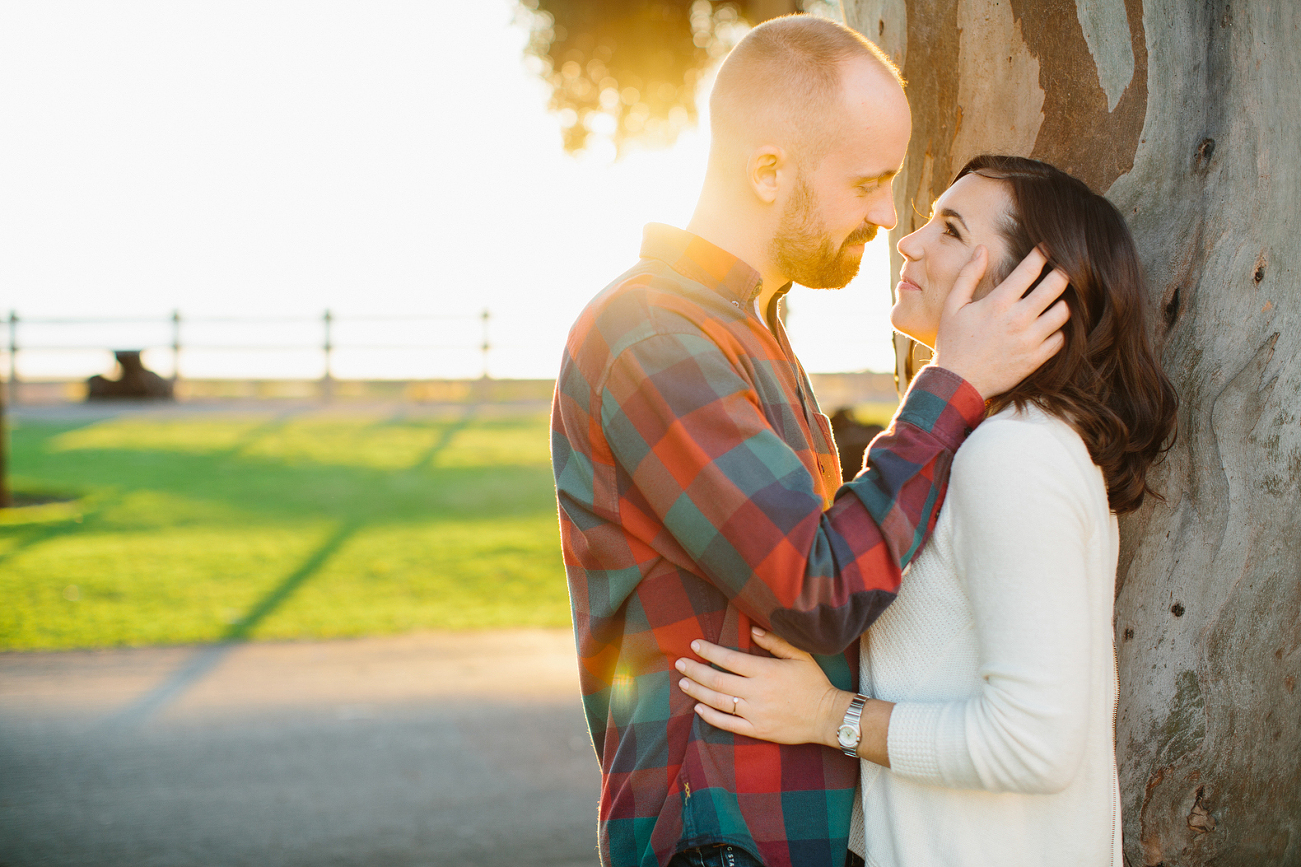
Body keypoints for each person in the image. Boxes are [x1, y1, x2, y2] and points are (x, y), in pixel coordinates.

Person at [551, 16, 1072, 867]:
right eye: (867, 182)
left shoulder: (747, 329)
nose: (883, 214)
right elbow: (816, 585)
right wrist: (954, 382)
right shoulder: (655, 336)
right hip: (722, 836)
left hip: (783, 829)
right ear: (767, 169)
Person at [675, 155, 1178, 867]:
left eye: (948, 229)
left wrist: (826, 717)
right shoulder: (998, 445)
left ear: (1025, 286)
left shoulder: (1015, 456)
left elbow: (1034, 743)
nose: (907, 243)